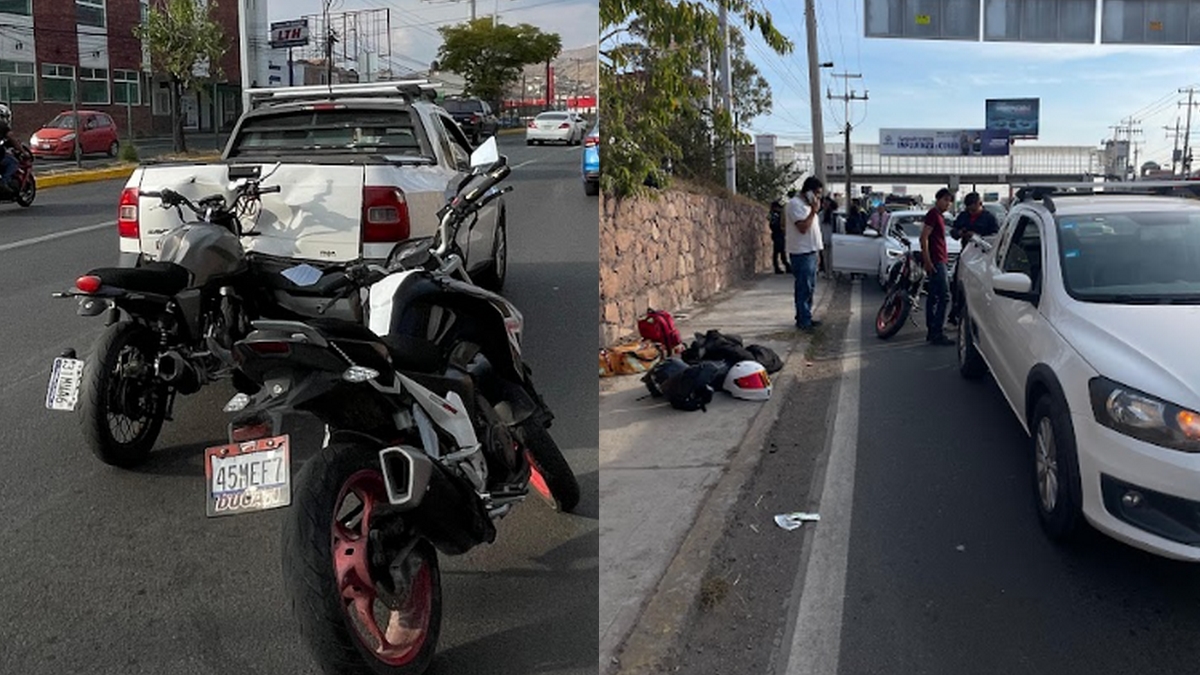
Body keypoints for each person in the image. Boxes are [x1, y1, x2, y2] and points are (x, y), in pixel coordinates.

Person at [947, 192, 1001, 326]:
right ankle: (956, 311)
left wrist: (978, 236)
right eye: (968, 209)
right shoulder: (963, 216)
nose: (971, 212)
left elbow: (996, 236)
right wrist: (960, 233)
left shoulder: (989, 218)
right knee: (956, 284)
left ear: (979, 204)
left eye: (973, 209)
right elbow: (953, 231)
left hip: (984, 256)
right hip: (966, 254)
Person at [786, 176, 825, 330]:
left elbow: (815, 233)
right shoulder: (795, 205)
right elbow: (803, 228)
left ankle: (806, 316)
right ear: (808, 192)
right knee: (804, 287)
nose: (818, 198)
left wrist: (819, 254)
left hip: (811, 252)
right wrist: (813, 212)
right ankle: (803, 321)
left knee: (810, 287)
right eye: (816, 194)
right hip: (801, 252)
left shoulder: (809, 207)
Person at [920, 188, 955, 346]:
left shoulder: (940, 216)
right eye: (946, 200)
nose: (948, 203)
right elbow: (923, 238)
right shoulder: (933, 214)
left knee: (934, 296)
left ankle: (932, 331)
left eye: (950, 200)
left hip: (940, 259)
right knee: (944, 296)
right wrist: (928, 260)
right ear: (938, 199)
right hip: (936, 260)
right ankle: (937, 332)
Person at [0, 103, 24, 192]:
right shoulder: (2, 125)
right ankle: (4, 181)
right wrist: (22, 151)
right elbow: (12, 139)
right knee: (13, 163)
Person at [769, 198, 790, 274]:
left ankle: (785, 265)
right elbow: (773, 225)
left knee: (781, 251)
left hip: (779, 234)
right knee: (778, 251)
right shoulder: (775, 215)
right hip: (777, 234)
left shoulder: (776, 214)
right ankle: (779, 267)